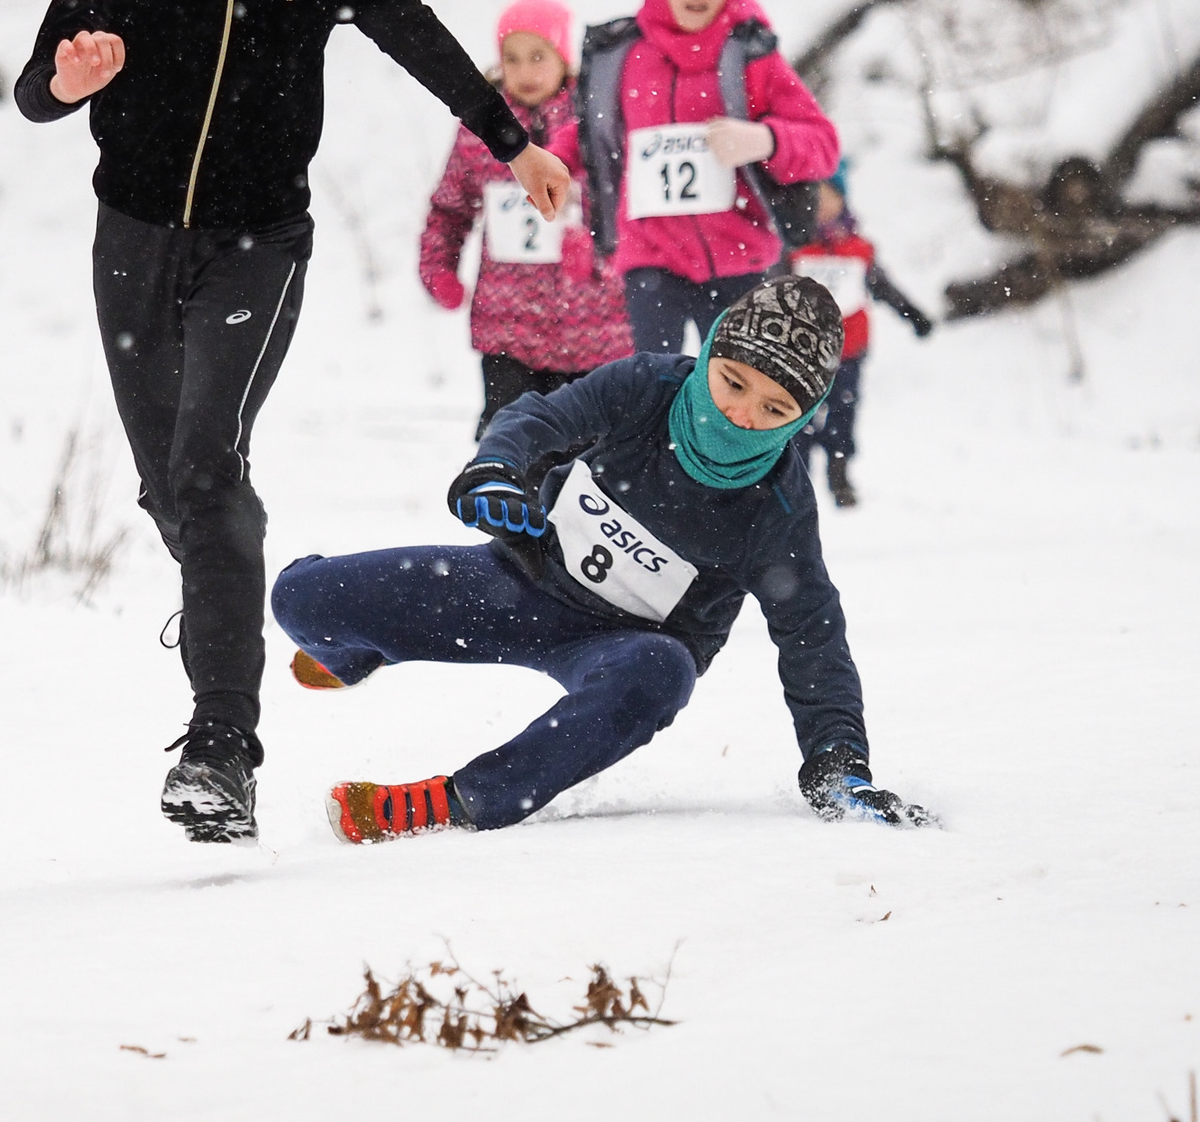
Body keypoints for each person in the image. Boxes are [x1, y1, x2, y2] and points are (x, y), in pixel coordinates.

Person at [13, 0, 571, 843]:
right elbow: (34, 88)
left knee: (206, 470)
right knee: (173, 488)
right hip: (131, 241)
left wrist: (509, 140)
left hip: (257, 243)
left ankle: (221, 746)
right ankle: (223, 591)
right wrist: (67, 80)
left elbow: (407, 27)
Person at [272, 277, 932, 842]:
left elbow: (814, 639)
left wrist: (839, 765)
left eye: (774, 408)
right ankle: (361, 650)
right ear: (709, 353)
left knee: (663, 672)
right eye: (732, 382)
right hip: (516, 583)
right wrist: (497, 470)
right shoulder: (650, 385)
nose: (741, 414)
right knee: (299, 598)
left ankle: (460, 800)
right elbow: (541, 417)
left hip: (624, 648)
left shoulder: (778, 508)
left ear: (802, 416)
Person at [574, 0, 840, 354]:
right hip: (649, 259)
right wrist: (548, 165)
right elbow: (588, 134)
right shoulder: (625, 57)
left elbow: (822, 144)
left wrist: (765, 140)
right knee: (651, 384)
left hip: (739, 257)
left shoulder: (750, 57)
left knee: (733, 388)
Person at [418, 0, 632, 436]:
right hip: (507, 328)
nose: (525, 71)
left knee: (585, 452)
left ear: (563, 58)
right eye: (512, 58)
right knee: (510, 444)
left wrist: (596, 247)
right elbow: (451, 207)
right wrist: (439, 267)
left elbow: (629, 202)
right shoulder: (482, 128)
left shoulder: (597, 119)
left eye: (538, 56)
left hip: (594, 326)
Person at [787, 172, 935, 507]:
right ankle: (796, 481)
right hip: (802, 353)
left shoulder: (859, 249)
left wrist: (913, 314)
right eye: (814, 197)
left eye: (829, 196)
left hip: (848, 350)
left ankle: (839, 474)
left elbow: (883, 287)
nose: (822, 205)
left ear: (842, 200)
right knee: (798, 417)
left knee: (843, 413)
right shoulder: (794, 247)